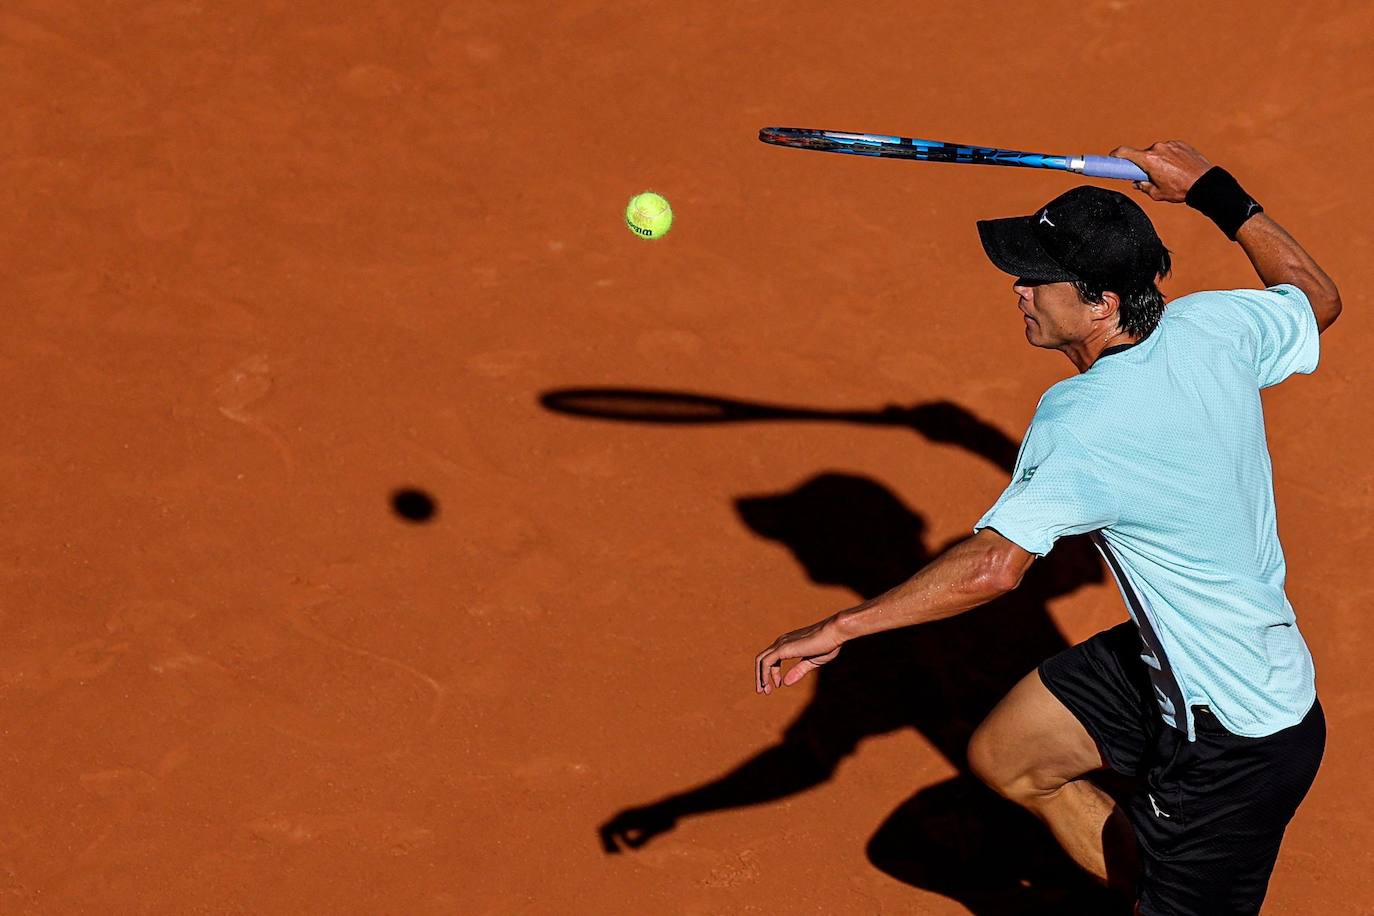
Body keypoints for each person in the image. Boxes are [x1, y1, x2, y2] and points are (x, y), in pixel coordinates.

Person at [754, 140, 1340, 915]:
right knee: (1009, 757)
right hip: (1202, 663)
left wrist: (844, 626)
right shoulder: (1214, 327)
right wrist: (1215, 192)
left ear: (1099, 301)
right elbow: (1314, 298)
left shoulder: (1083, 421)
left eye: (1037, 277)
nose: (1020, 291)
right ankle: (1149, 888)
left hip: (1234, 739)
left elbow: (995, 568)